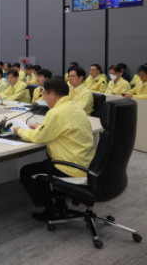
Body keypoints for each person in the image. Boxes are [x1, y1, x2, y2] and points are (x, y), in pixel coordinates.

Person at [14, 78, 95, 221]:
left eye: (45, 94)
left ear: (52, 95)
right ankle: (60, 203)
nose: (44, 98)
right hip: (86, 163)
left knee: (26, 171)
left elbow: (39, 137)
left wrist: (20, 131)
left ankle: (51, 210)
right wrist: (40, 127)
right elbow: (60, 127)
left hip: (70, 167)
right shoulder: (75, 107)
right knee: (45, 163)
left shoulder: (55, 112)